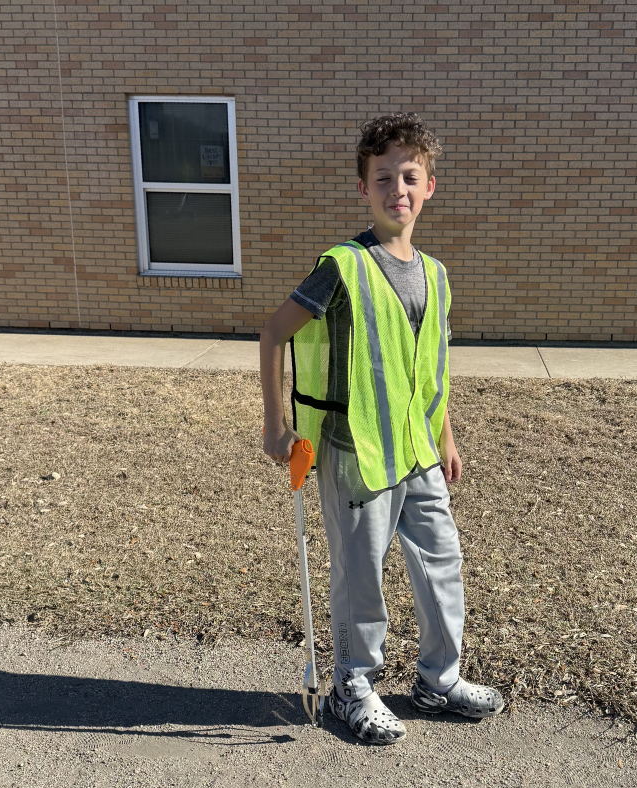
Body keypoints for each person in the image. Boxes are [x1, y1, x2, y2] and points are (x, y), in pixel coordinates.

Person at [260, 112, 503, 745]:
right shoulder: (343, 265)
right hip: (355, 452)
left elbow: (429, 368)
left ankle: (438, 680)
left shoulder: (437, 275)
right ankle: (352, 687)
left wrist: (445, 436)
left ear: (428, 188)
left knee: (441, 563)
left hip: (417, 448)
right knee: (360, 575)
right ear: (363, 189)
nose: (397, 186)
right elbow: (272, 332)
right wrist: (275, 424)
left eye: (409, 175)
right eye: (383, 176)